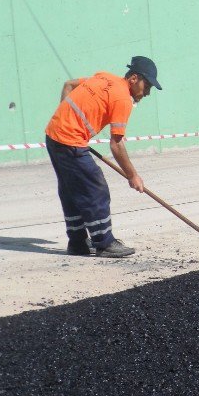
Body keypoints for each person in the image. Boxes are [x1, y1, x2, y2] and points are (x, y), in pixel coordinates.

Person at [45, 56, 161, 258]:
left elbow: (68, 85)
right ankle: (104, 243)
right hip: (69, 141)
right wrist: (133, 176)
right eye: (147, 85)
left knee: (71, 190)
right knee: (95, 188)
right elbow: (116, 145)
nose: (148, 92)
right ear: (134, 78)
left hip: (54, 135)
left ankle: (78, 242)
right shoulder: (122, 99)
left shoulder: (105, 77)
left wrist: (65, 118)